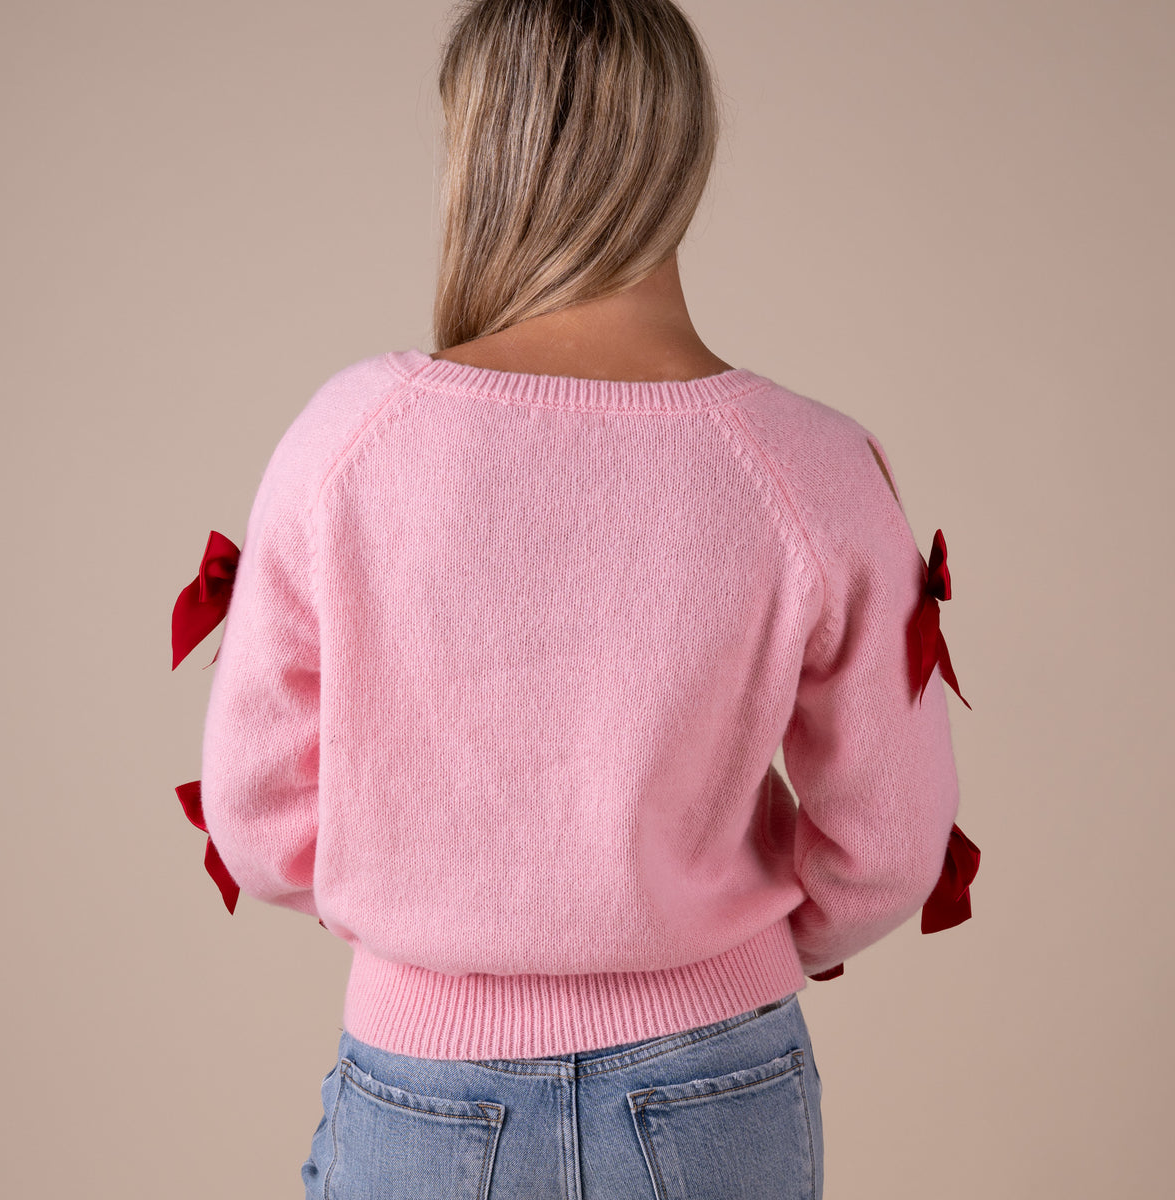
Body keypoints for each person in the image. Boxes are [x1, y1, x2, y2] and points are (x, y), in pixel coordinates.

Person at [176, 2, 975, 1196]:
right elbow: (894, 847)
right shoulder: (812, 466)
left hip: (423, 1086)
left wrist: (434, 918)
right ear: (685, 151)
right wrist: (725, 945)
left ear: (475, 154)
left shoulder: (348, 442)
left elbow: (256, 815)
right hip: (722, 1084)